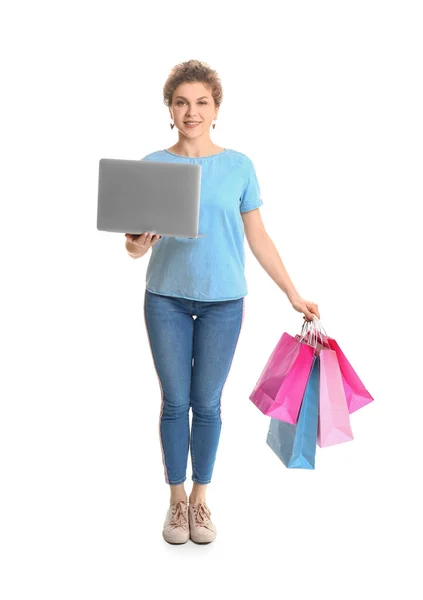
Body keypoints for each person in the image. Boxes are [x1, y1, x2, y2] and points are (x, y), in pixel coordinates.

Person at [125, 59, 320, 545]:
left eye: (201, 102)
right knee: (175, 402)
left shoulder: (239, 166)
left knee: (207, 404)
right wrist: (139, 243)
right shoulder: (153, 165)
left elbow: (258, 238)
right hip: (165, 297)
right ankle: (175, 502)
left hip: (224, 302)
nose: (192, 111)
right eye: (182, 102)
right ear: (170, 109)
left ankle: (201, 500)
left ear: (216, 108)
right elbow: (131, 246)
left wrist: (293, 293)